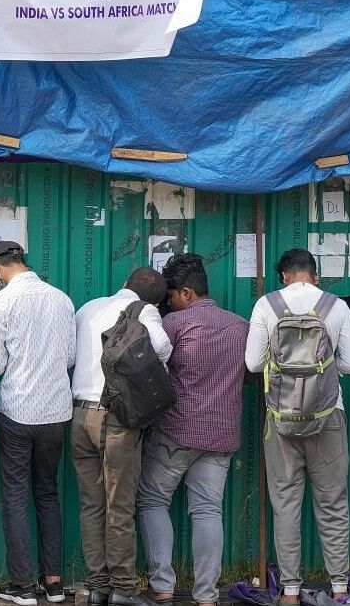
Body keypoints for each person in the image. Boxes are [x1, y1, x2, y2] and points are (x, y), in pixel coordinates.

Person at [244, 248, 350, 604]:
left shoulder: (267, 305)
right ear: (315, 274)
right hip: (328, 417)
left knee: (286, 503)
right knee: (332, 503)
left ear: (283, 275)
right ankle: (339, 588)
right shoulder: (336, 306)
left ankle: (291, 591)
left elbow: (251, 363)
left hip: (280, 420)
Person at [138, 253, 249, 606]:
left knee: (153, 500)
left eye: (169, 297)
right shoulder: (240, 326)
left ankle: (163, 587)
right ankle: (206, 596)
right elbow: (250, 375)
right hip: (221, 435)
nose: (166, 304)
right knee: (207, 510)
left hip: (176, 432)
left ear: (186, 293)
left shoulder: (175, 325)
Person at [0, 240, 77, 606]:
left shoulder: (0, 302)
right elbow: (69, 356)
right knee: (47, 493)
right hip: (56, 412)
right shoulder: (61, 299)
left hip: (19, 411)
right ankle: (53, 584)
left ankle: (22, 586)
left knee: (16, 495)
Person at [72, 268, 172, 606]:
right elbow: (161, 346)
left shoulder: (88, 307)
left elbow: (72, 357)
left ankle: (97, 585)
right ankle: (124, 589)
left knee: (91, 504)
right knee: (120, 504)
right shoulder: (144, 311)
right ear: (155, 298)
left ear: (125, 283)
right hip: (115, 418)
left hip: (79, 414)